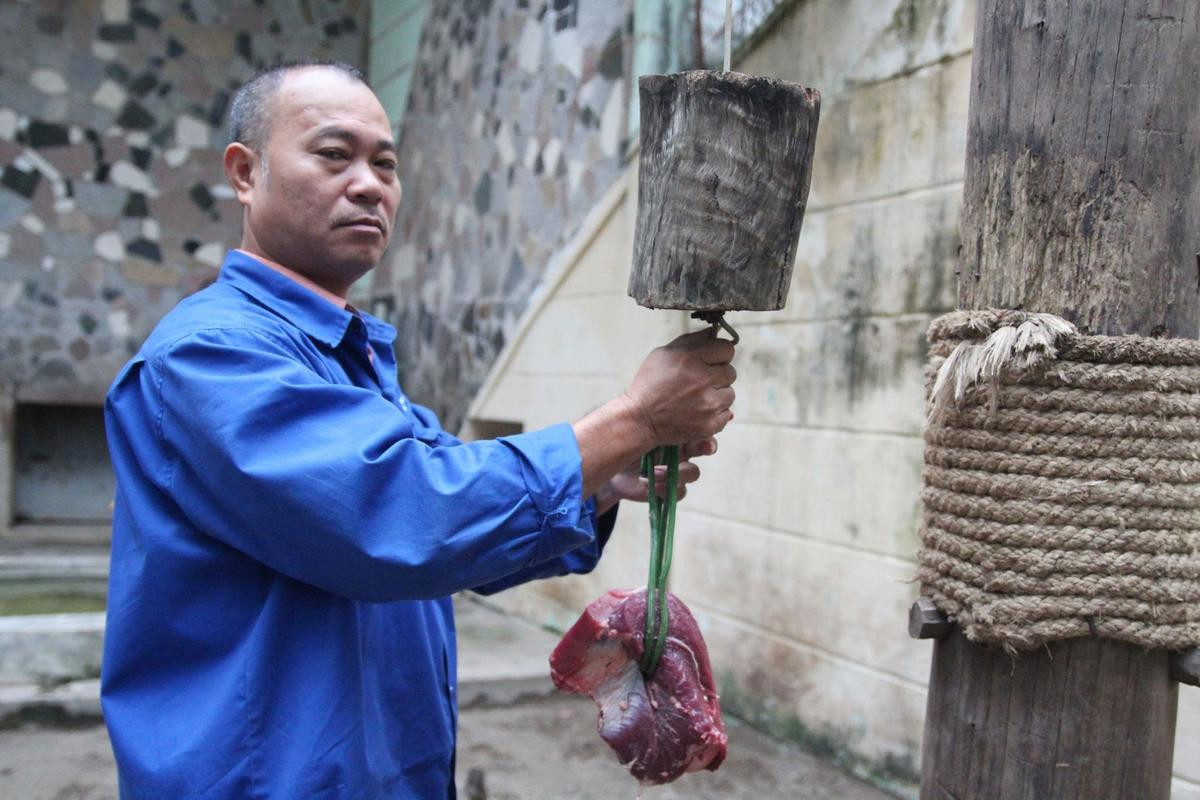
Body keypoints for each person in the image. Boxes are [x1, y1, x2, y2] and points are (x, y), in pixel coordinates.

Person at [102, 60, 736, 799]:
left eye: (386, 163)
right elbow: (407, 514)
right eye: (334, 155)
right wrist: (633, 418)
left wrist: (601, 476)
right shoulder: (213, 354)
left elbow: (456, 525)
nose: (369, 183)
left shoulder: (348, 354)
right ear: (245, 174)